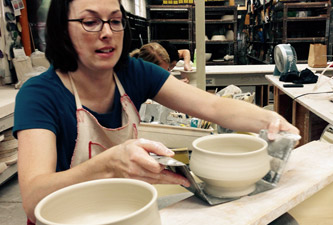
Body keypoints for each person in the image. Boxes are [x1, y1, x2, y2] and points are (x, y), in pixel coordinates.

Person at [13, 0, 299, 223]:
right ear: (62, 28)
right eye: (90, 22)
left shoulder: (133, 73)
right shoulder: (40, 94)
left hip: (126, 208)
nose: (107, 33)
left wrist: (270, 119)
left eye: (115, 21)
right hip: (68, 218)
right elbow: (33, 198)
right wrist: (107, 164)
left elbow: (212, 105)